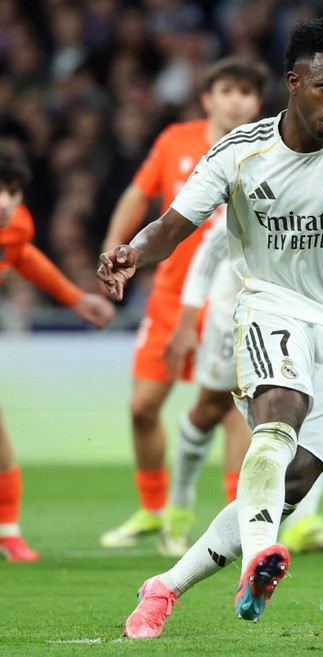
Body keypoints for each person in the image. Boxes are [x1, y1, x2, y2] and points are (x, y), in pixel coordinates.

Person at [98, 16, 323, 637]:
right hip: (267, 305)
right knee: (279, 412)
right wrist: (132, 253)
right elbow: (172, 226)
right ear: (293, 81)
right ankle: (260, 558)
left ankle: (164, 587)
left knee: (293, 482)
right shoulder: (239, 152)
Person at [163, 208, 323, 557]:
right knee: (210, 410)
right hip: (239, 307)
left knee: (312, 416)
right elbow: (211, 249)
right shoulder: (265, 173)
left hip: (310, 319)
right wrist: (188, 320)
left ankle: (298, 521)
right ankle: (179, 507)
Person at [98, 57, 268, 551]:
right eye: (227, 90)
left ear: (258, 102)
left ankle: (239, 521)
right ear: (207, 98)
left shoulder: (270, 149)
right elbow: (138, 193)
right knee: (142, 406)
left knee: (234, 409)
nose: (236, 100)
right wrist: (114, 245)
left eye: (246, 92)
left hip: (239, 297)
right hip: (173, 294)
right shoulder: (175, 139)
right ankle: (154, 510)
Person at [0, 141, 115, 561]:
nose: (5, 202)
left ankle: (9, 531)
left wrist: (74, 298)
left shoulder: (17, 226)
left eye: (13, 191)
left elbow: (23, 256)